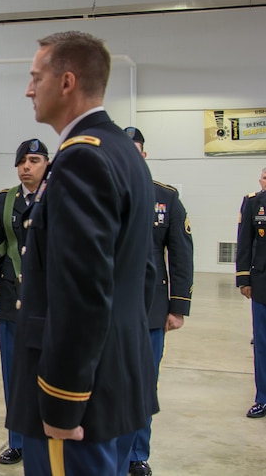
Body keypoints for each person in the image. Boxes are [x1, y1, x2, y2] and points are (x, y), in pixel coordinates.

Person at [7, 31, 158, 475]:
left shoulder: (80, 160)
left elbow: (81, 294)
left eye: (36, 77)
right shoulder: (121, 152)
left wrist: (61, 401)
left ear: (67, 82)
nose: (29, 89)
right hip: (117, 379)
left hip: (79, 400)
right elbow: (138, 273)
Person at [124, 126, 194, 476]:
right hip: (110, 308)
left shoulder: (165, 198)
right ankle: (113, 449)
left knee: (144, 383)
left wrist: (178, 306)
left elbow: (181, 255)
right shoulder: (103, 194)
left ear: (144, 155)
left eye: (136, 150)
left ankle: (138, 454)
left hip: (151, 309)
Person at [0, 138, 50, 466]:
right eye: (22, 161)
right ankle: (18, 440)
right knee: (14, 374)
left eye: (35, 160)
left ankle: (48, 437)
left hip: (50, 304)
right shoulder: (4, 201)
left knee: (49, 373)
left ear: (48, 164)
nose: (26, 167)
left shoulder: (60, 198)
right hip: (11, 301)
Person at [236, 180, 266, 421]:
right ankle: (263, 398)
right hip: (262, 284)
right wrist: (244, 278)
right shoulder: (254, 202)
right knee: (263, 345)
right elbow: (244, 241)